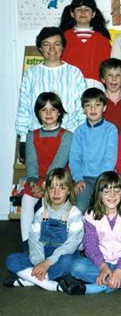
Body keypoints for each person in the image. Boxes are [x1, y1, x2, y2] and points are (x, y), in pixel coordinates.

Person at [67, 171, 121, 294]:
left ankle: (94, 288)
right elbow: (90, 247)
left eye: (116, 191)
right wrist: (103, 266)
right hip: (100, 264)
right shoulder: (91, 215)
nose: (112, 196)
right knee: (76, 266)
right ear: (99, 194)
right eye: (106, 192)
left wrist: (120, 270)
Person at [4, 168, 83, 292]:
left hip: (62, 256)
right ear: (47, 190)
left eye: (61, 188)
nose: (56, 193)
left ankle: (29, 279)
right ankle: (51, 284)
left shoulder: (74, 214)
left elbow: (71, 245)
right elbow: (34, 241)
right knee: (11, 259)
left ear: (69, 191)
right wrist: (39, 262)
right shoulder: (41, 212)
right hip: (42, 254)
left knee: (69, 263)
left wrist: (47, 263)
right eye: (52, 188)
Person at [15, 27, 87, 157]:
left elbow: (82, 108)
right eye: (46, 45)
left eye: (57, 44)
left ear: (62, 47)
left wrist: (80, 139)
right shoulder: (31, 73)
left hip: (68, 136)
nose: (52, 49)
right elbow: (23, 107)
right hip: (37, 138)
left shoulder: (74, 72)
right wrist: (24, 140)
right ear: (40, 48)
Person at [20, 93, 73, 248]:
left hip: (58, 180)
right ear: (38, 113)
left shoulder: (67, 135)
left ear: (59, 112)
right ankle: (26, 242)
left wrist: (46, 185)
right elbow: (31, 163)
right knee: (27, 199)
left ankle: (48, 241)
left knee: (48, 201)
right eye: (44, 110)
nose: (49, 114)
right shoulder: (32, 135)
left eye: (53, 109)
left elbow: (58, 163)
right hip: (37, 180)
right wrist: (32, 182)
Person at [69, 88, 118, 214]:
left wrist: (101, 181)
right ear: (83, 109)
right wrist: (78, 179)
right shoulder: (79, 131)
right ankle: (79, 233)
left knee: (106, 208)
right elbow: (74, 159)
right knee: (80, 207)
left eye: (97, 105)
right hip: (84, 179)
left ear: (104, 107)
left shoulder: (110, 129)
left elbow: (110, 157)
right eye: (88, 105)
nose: (93, 109)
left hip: (105, 177)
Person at [59, 0, 111, 89]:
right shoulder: (63, 37)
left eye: (87, 9)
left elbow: (108, 66)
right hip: (68, 84)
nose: (83, 13)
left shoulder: (102, 38)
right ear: (72, 13)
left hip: (95, 86)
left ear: (93, 14)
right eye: (79, 9)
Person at [101, 58, 121, 132]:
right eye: (110, 75)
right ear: (103, 79)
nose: (114, 79)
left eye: (118, 75)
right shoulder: (98, 102)